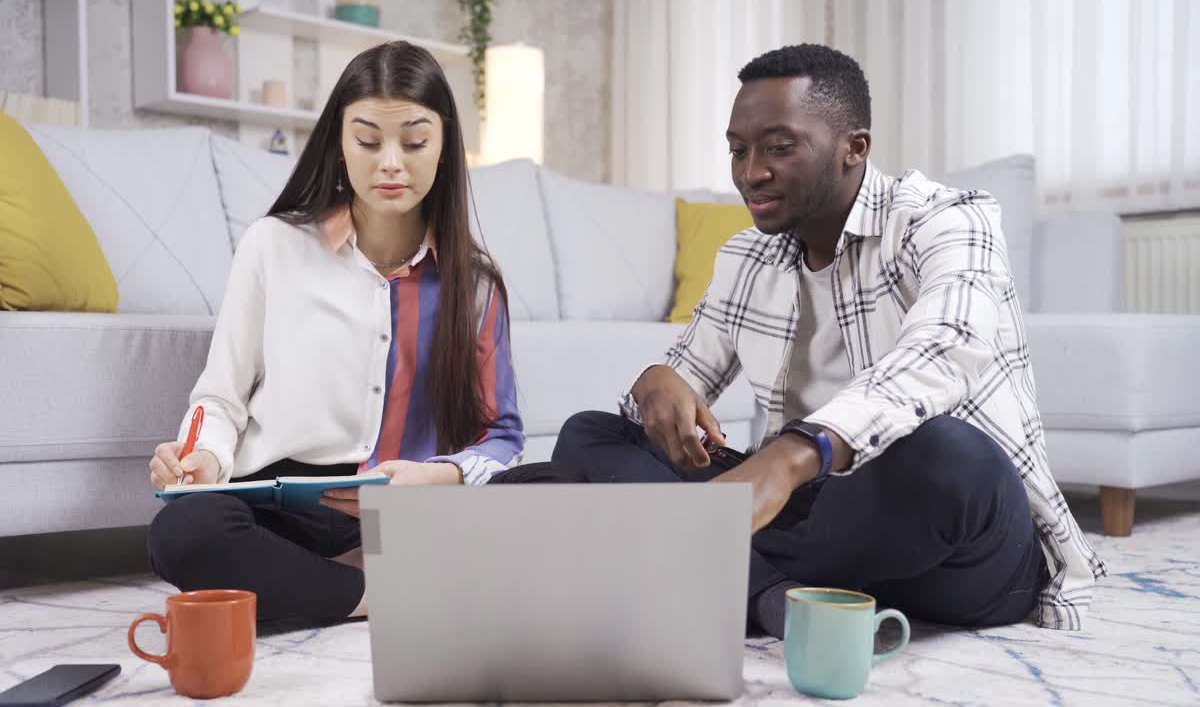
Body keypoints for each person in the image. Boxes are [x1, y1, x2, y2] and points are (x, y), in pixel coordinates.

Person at [550, 44, 1105, 636]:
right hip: (823, 526)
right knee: (591, 434)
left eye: (778, 147)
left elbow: (944, 348)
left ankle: (677, 558)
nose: (749, 172)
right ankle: (772, 598)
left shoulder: (949, 218)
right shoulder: (745, 256)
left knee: (952, 455)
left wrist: (793, 456)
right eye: (738, 150)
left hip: (956, 547)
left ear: (854, 148)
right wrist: (658, 384)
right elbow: (682, 386)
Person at [146, 41, 526, 625]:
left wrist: (437, 475)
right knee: (185, 532)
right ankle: (372, 595)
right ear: (339, 144)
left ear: (446, 147)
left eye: (416, 141)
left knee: (545, 490)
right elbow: (220, 397)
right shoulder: (272, 245)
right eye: (368, 141)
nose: (391, 163)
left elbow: (501, 441)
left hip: (403, 512)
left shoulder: (474, 287)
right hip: (276, 502)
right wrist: (201, 458)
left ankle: (312, 589)